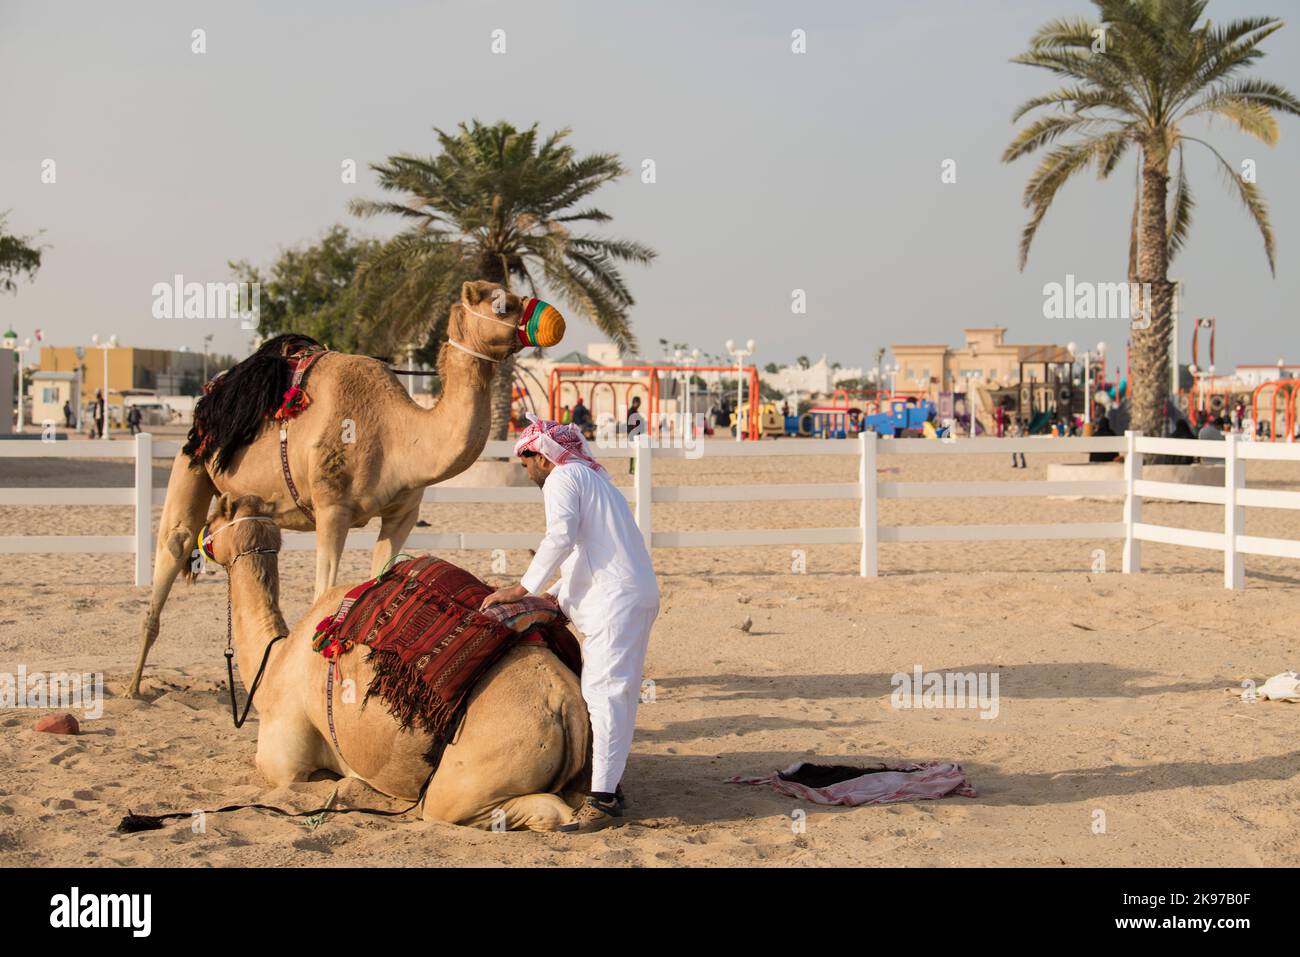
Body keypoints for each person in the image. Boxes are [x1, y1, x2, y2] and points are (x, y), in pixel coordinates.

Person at [481, 415, 660, 833]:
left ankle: (603, 800)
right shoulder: (595, 482)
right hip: (627, 596)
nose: (525, 472)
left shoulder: (563, 479)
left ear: (542, 456)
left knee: (606, 695)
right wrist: (556, 595)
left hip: (617, 602)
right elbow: (587, 550)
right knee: (610, 694)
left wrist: (521, 589)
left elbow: (559, 538)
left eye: (525, 461)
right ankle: (605, 785)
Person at [626, 396, 644, 475]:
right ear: (635, 402)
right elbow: (633, 423)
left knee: (636, 452)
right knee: (634, 452)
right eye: (639, 402)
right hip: (633, 435)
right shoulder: (632, 411)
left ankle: (634, 469)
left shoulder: (634, 411)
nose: (639, 404)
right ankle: (632, 469)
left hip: (635, 434)